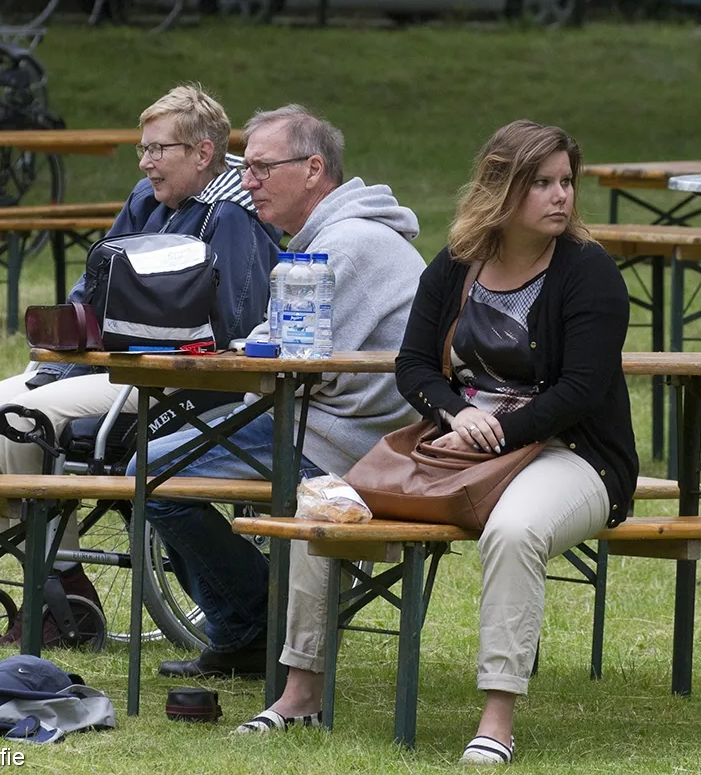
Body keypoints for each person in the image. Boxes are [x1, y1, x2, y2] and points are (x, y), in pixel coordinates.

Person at [239, 120, 639, 764]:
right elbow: (415, 366)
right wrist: (456, 415)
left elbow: (583, 390)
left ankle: (497, 718)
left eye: (566, 182)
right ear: (500, 187)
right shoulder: (457, 264)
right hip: (462, 447)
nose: (560, 196)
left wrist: (502, 429)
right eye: (541, 183)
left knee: (514, 531)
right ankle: (300, 694)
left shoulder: (587, 271)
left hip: (573, 453)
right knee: (327, 507)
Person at [0, 84, 281, 642]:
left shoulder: (232, 218)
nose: (146, 162)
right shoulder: (146, 202)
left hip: (180, 383)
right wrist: (71, 324)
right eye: (141, 149)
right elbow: (93, 285)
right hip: (104, 367)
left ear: (203, 153)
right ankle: (61, 582)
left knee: (25, 423)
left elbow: (234, 326)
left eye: (158, 149)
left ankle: (57, 596)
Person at [132, 104, 425, 679]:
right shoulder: (336, 237)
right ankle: (254, 621)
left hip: (348, 445)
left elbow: (298, 360)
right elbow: (289, 345)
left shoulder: (348, 244)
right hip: (337, 426)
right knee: (156, 467)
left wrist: (243, 352)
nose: (247, 181)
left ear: (314, 169)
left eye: (263, 168)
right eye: (247, 168)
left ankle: (250, 624)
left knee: (149, 474)